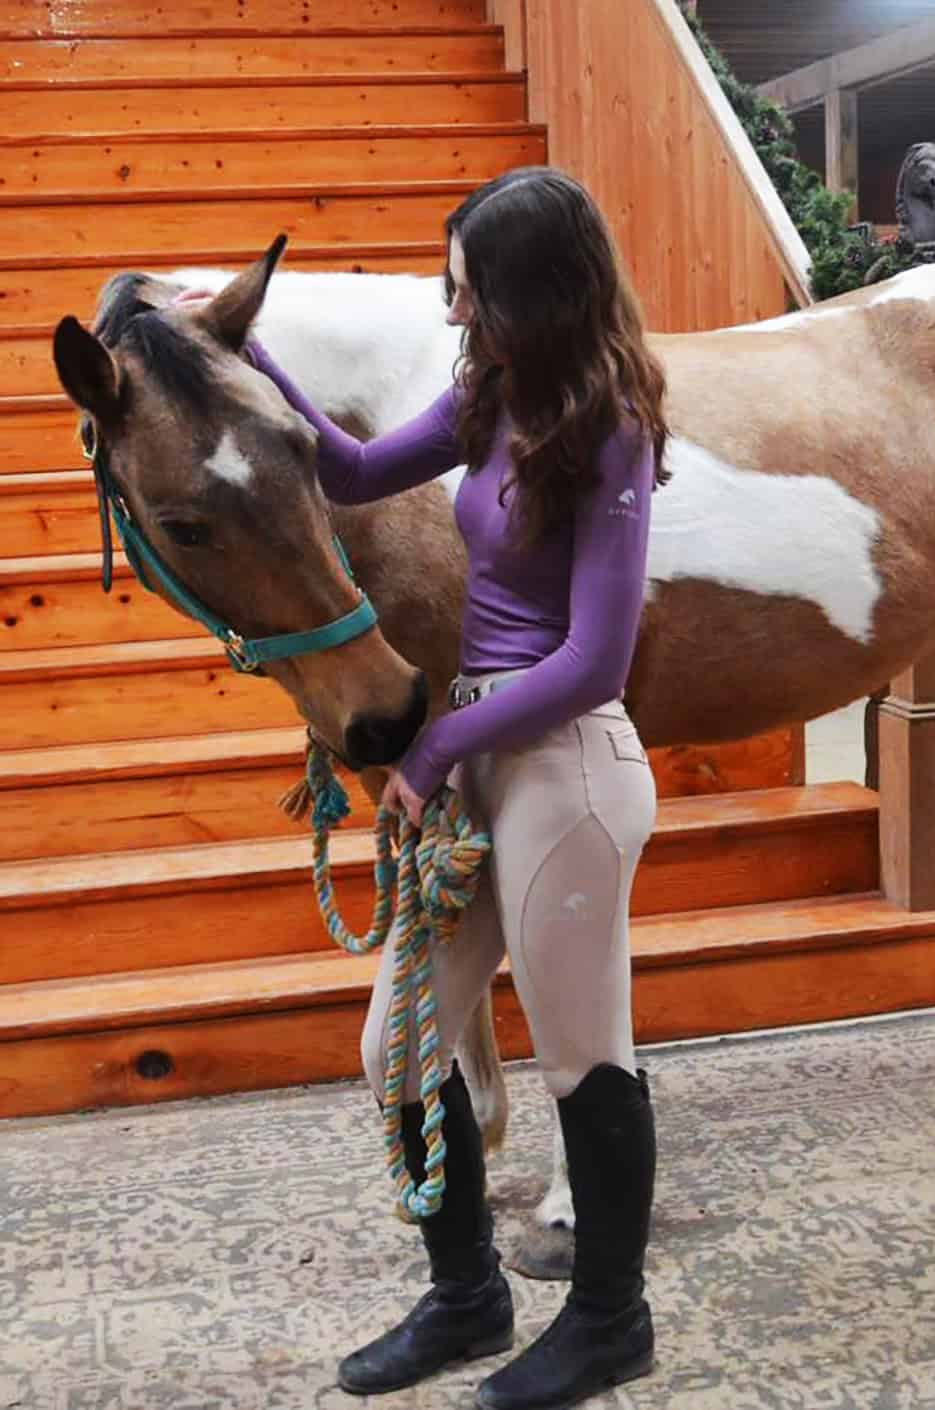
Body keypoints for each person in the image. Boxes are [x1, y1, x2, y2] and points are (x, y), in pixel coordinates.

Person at [243, 166, 669, 1409]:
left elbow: (596, 658)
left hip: (568, 766)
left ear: (535, 293)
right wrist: (251, 358)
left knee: (584, 1059)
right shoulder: (487, 394)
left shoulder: (611, 428)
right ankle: (469, 1296)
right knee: (398, 1045)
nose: (452, 311)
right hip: (484, 753)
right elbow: (354, 471)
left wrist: (430, 752)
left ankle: (611, 1321)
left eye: (469, 290)